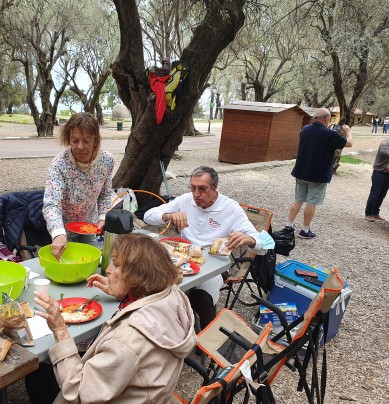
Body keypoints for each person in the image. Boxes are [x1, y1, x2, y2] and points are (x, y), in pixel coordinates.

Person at [30, 234, 196, 403]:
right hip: (146, 391)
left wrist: (60, 330)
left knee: (37, 372)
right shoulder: (172, 295)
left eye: (116, 264)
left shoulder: (128, 340)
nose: (108, 269)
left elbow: (79, 393)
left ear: (136, 277)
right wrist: (123, 292)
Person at [143, 166, 265, 329]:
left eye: (202, 189)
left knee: (203, 298)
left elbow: (265, 246)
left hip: (214, 263)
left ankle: (206, 334)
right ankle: (173, 329)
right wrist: (168, 216)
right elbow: (147, 216)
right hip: (183, 258)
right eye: (193, 188)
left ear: (215, 187)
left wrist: (249, 239)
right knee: (154, 283)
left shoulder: (231, 208)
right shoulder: (186, 200)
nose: (196, 194)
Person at [43, 112, 114, 260]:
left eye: (86, 141)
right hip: (63, 229)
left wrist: (103, 217)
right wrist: (58, 233)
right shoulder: (59, 164)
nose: (80, 147)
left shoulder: (107, 161)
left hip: (90, 226)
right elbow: (51, 203)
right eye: (74, 141)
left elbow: (106, 194)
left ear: (95, 139)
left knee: (93, 263)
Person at [286, 108, 353, 239]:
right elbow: (349, 143)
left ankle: (289, 225)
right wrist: (348, 132)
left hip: (301, 171)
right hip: (318, 174)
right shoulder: (330, 134)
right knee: (312, 202)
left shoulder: (305, 130)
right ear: (327, 119)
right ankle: (305, 230)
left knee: (298, 200)